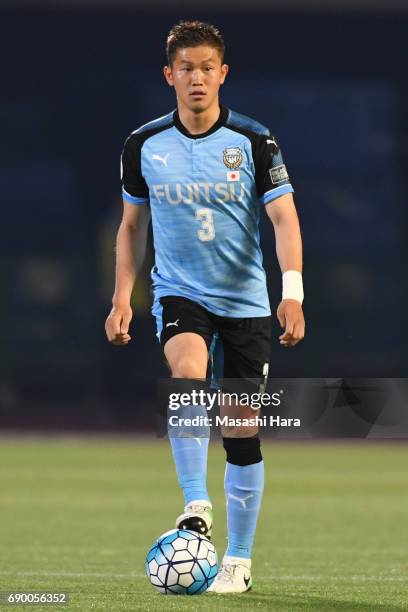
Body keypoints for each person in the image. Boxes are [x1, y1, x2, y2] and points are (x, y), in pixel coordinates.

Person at [105, 20, 305, 594]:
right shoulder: (143, 145)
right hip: (179, 292)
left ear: (223, 73)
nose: (197, 78)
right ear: (170, 76)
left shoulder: (253, 141)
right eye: (185, 68)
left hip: (245, 301)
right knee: (187, 373)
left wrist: (291, 293)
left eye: (206, 68)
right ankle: (196, 506)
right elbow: (130, 225)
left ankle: (238, 563)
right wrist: (123, 296)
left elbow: (284, 218)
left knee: (240, 428)